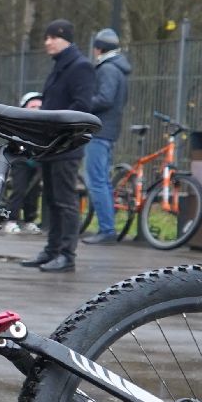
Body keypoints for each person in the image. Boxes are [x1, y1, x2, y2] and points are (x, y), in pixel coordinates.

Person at [21, 19, 92, 272]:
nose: (47, 42)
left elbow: (82, 105)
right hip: (51, 144)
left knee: (65, 201)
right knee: (52, 201)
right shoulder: (61, 66)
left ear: (66, 39)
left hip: (66, 145)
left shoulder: (80, 67)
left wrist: (54, 121)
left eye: (53, 37)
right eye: (46, 37)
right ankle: (51, 251)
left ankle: (66, 254)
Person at [81, 27, 131, 245]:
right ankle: (107, 228)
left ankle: (106, 230)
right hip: (109, 130)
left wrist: (82, 104)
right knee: (102, 180)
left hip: (100, 130)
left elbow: (105, 98)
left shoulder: (108, 69)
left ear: (98, 48)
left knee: (97, 180)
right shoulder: (117, 68)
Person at [1, 91, 43, 233]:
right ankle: (11, 220)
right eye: (33, 106)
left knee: (34, 193)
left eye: (39, 106)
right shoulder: (20, 123)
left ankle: (29, 220)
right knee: (19, 190)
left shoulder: (44, 125)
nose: (37, 109)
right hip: (21, 161)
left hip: (36, 162)